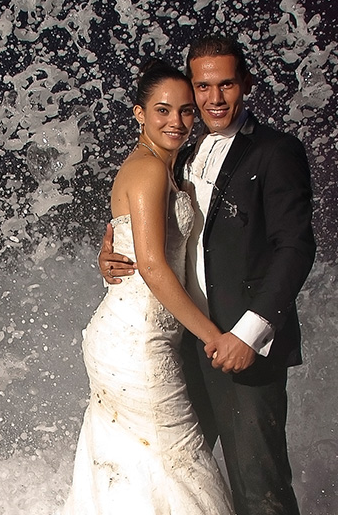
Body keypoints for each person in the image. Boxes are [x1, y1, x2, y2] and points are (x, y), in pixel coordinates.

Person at [98, 35, 316, 515]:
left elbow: (296, 248)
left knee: (258, 486)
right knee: (170, 473)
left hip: (240, 345)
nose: (214, 99)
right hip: (179, 342)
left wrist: (249, 333)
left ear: (246, 84)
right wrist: (113, 250)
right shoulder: (182, 150)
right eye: (202, 87)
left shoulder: (276, 151)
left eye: (227, 85)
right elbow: (157, 231)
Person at [62, 59, 236, 515]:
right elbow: (154, 267)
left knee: (141, 466)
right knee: (174, 457)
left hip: (143, 337)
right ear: (139, 114)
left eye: (185, 111)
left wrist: (109, 251)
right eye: (162, 110)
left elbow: (136, 244)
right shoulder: (148, 170)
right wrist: (213, 337)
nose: (176, 121)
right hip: (136, 345)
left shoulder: (168, 168)